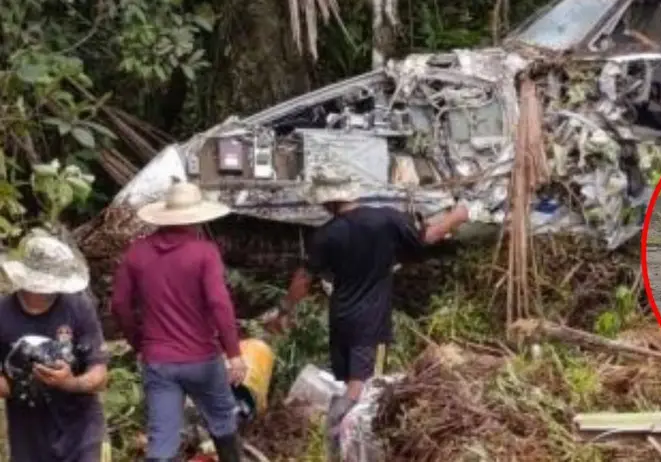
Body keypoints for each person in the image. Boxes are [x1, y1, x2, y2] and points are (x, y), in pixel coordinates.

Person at [264, 168, 470, 455]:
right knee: (361, 391)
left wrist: (284, 310)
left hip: (341, 321)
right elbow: (427, 237)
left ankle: (339, 447)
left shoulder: (325, 235)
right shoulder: (386, 219)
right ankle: (341, 448)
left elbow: (304, 278)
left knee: (350, 384)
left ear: (328, 200)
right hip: (370, 325)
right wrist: (458, 215)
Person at [111, 181, 246, 462]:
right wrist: (234, 353)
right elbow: (219, 304)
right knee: (223, 422)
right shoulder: (204, 252)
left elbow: (120, 304)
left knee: (162, 440)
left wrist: (139, 344)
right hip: (202, 358)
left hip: (159, 361)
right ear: (196, 217)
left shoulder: (137, 252)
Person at [0, 230, 110, 462]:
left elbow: (99, 374)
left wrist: (70, 383)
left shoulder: (78, 308)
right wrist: (16, 384)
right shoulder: (4, 314)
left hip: (80, 427)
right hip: (28, 432)